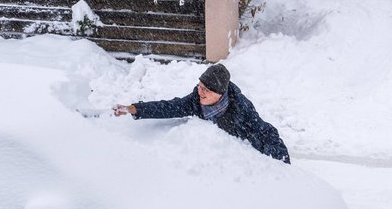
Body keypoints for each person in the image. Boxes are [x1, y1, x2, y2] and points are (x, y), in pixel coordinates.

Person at [114, 64, 290, 164]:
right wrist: (134, 109)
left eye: (206, 89)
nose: (200, 92)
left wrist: (280, 166)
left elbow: (266, 132)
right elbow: (169, 107)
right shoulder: (196, 100)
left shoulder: (241, 108)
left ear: (220, 94)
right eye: (199, 86)